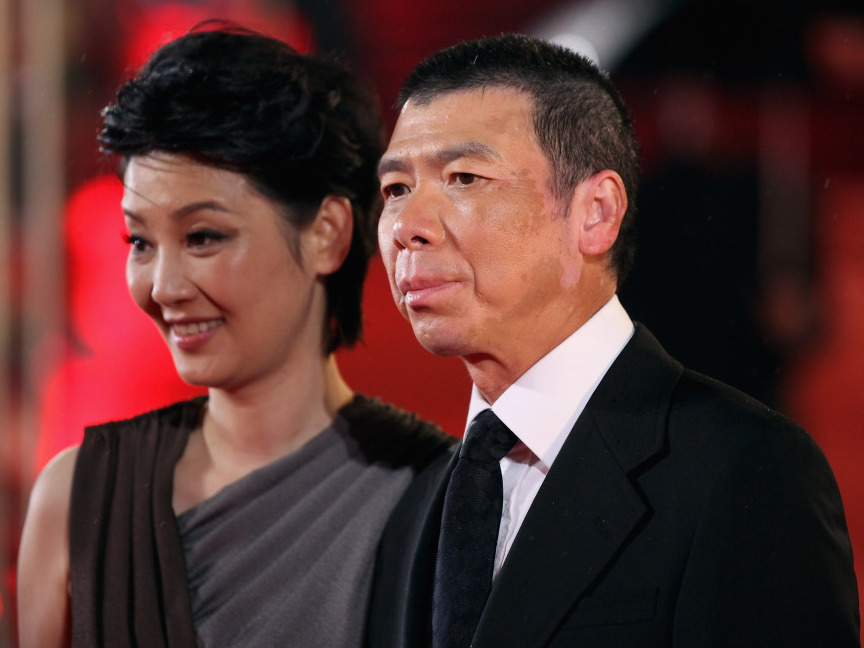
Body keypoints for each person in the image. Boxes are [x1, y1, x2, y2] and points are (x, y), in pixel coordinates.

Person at [369, 33, 860, 647]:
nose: (408, 227)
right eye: (395, 189)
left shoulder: (745, 473)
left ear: (595, 213)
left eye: (464, 177)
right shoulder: (413, 502)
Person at [17, 25, 453, 648]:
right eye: (140, 241)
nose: (163, 285)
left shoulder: (435, 497)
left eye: (203, 237)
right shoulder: (78, 500)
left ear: (327, 234)